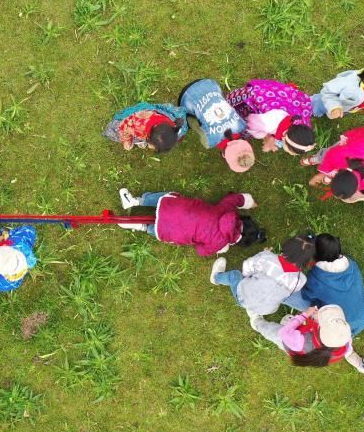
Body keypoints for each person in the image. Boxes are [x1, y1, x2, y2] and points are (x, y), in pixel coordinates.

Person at [116, 188, 265, 256]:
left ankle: (135, 201)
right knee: (160, 231)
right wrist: (218, 247)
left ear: (243, 219)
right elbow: (200, 251)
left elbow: (234, 199)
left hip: (175, 208)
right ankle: (140, 226)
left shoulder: (227, 210)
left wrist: (248, 201)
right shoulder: (219, 243)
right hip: (171, 232)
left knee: (168, 198)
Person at [282, 234, 364, 335]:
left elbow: (306, 295)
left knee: (287, 293)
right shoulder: (352, 264)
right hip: (362, 319)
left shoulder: (316, 276)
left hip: (338, 326)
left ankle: (281, 298)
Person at [210, 234, 315, 316]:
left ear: (287, 246)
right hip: (266, 309)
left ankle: (216, 277)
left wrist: (247, 277)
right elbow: (292, 291)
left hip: (243, 297)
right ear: (305, 261)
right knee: (283, 294)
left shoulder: (267, 258)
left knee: (234, 275)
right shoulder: (300, 279)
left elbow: (247, 266)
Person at [248, 304, 364, 370]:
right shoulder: (343, 344)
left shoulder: (300, 341)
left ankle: (257, 323)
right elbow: (348, 348)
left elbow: (284, 333)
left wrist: (305, 315)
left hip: (289, 342)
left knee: (271, 331)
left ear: (319, 329)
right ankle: (287, 321)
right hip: (301, 346)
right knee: (289, 324)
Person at [178, 78, 255, 172]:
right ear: (224, 155)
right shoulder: (209, 141)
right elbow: (193, 123)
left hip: (210, 85)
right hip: (188, 95)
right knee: (191, 121)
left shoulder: (242, 124)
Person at [225, 79, 317, 155]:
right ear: (285, 137)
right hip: (255, 98)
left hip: (281, 100)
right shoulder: (268, 124)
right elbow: (250, 121)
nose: (290, 153)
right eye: (290, 151)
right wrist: (263, 136)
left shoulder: (301, 124)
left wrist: (273, 138)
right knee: (241, 126)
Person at [306, 126, 364, 203]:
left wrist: (326, 175)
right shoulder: (339, 155)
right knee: (332, 150)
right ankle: (318, 157)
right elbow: (329, 158)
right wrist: (322, 174)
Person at [101, 102, 188, 154]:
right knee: (114, 130)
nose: (151, 148)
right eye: (153, 146)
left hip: (154, 119)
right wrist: (127, 140)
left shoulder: (171, 128)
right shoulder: (138, 125)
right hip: (132, 121)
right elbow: (124, 127)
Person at [0, 226, 38, 292]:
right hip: (16, 275)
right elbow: (32, 262)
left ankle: (4, 232)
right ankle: (5, 233)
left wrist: (3, 236)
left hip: (10, 277)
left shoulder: (1, 278)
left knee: (0, 285)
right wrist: (4, 237)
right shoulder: (18, 243)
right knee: (28, 230)